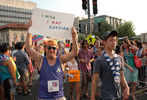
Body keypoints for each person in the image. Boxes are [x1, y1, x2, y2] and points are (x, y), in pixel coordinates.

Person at [25, 27, 78, 100]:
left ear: (57, 50)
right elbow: (28, 48)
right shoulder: (40, 59)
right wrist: (29, 31)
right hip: (44, 97)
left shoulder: (61, 60)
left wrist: (74, 37)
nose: (51, 50)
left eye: (54, 48)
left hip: (59, 97)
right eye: (49, 48)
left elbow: (74, 52)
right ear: (45, 49)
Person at [91, 31, 129, 100]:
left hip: (118, 95)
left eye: (115, 40)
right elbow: (94, 80)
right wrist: (92, 97)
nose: (114, 42)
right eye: (111, 40)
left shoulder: (119, 58)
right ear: (104, 42)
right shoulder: (99, 60)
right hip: (105, 96)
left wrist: (126, 87)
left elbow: (121, 75)